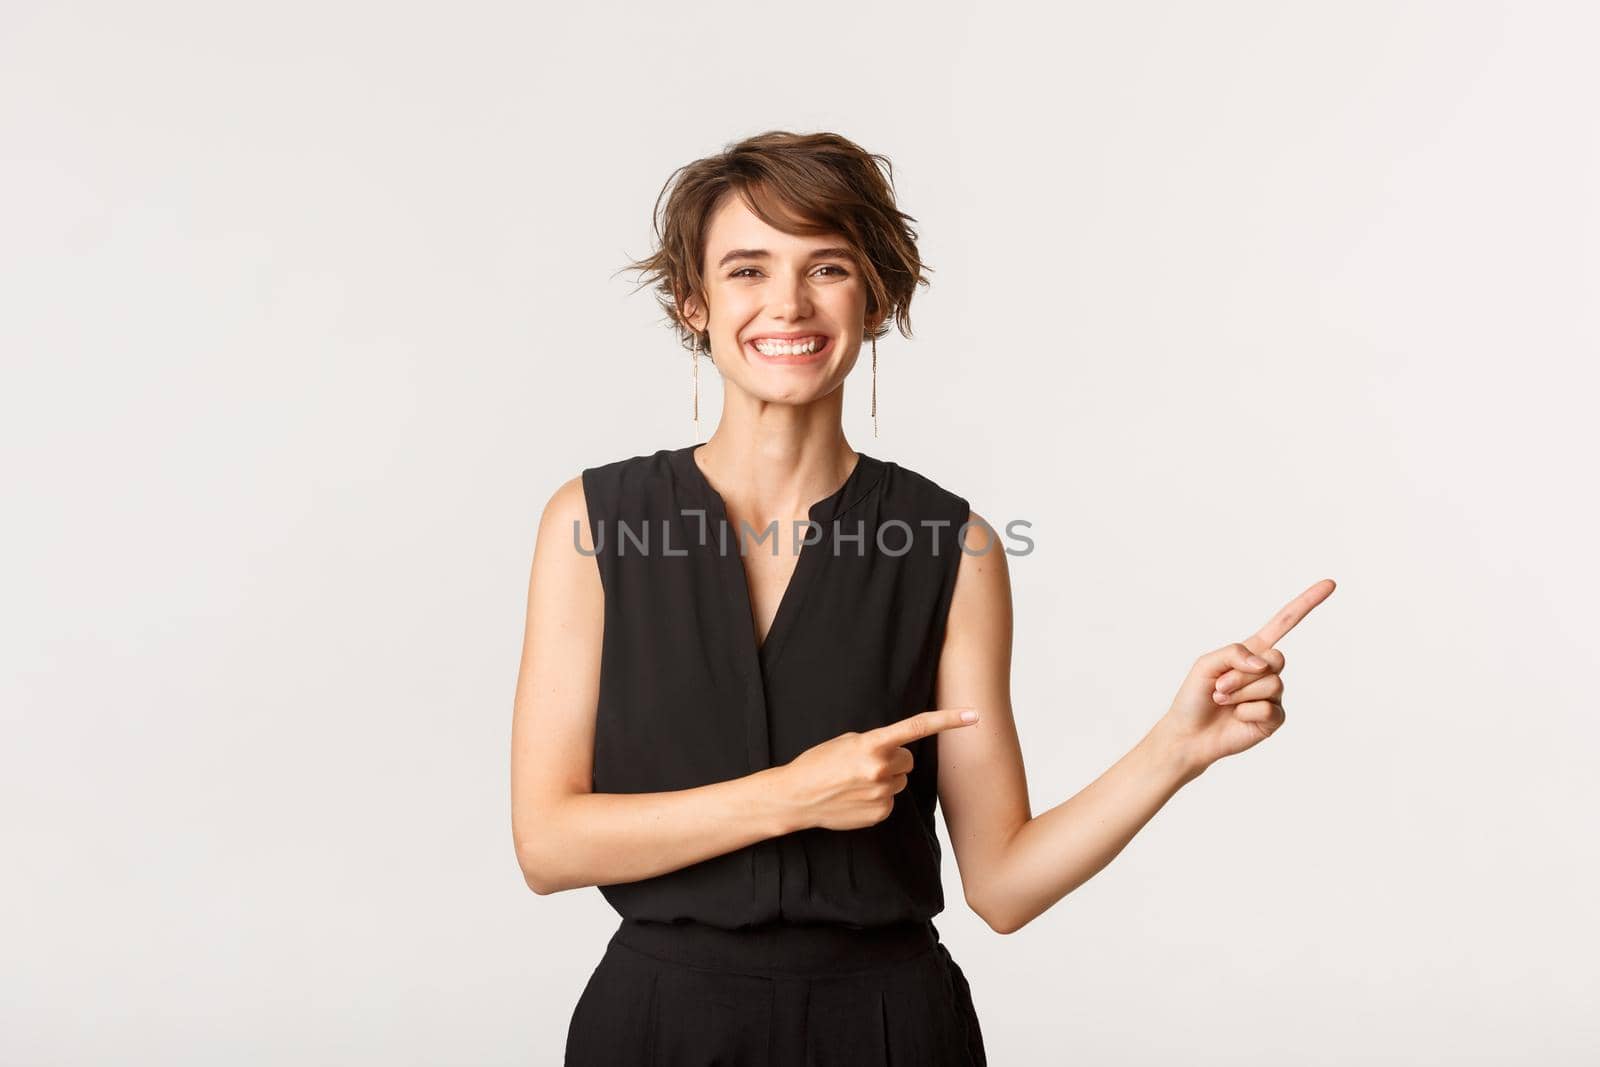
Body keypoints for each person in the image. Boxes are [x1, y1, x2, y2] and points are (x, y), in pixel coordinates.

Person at [509, 130, 1334, 1066]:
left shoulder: (956, 545)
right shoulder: (592, 521)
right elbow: (547, 844)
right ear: (693, 303)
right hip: (658, 1027)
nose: (787, 302)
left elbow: (1004, 885)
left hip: (888, 1028)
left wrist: (1173, 751)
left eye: (827, 267)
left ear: (876, 299)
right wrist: (792, 796)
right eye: (748, 269)